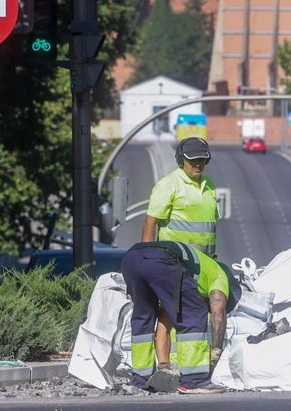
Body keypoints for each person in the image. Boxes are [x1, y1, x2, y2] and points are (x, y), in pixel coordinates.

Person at [141, 137, 219, 372]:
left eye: (202, 160)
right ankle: (163, 364)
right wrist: (148, 258)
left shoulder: (209, 186)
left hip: (203, 264)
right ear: (181, 160)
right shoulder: (169, 184)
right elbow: (150, 222)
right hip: (175, 262)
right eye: (193, 160)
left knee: (198, 313)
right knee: (169, 311)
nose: (198, 164)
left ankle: (194, 363)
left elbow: (209, 228)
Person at [121, 240, 229, 394]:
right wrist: (216, 350)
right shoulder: (220, 276)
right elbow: (218, 313)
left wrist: (164, 365)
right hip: (161, 259)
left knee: (143, 316)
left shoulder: (189, 277)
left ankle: (140, 380)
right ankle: (194, 380)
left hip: (131, 258)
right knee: (194, 311)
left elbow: (164, 323)